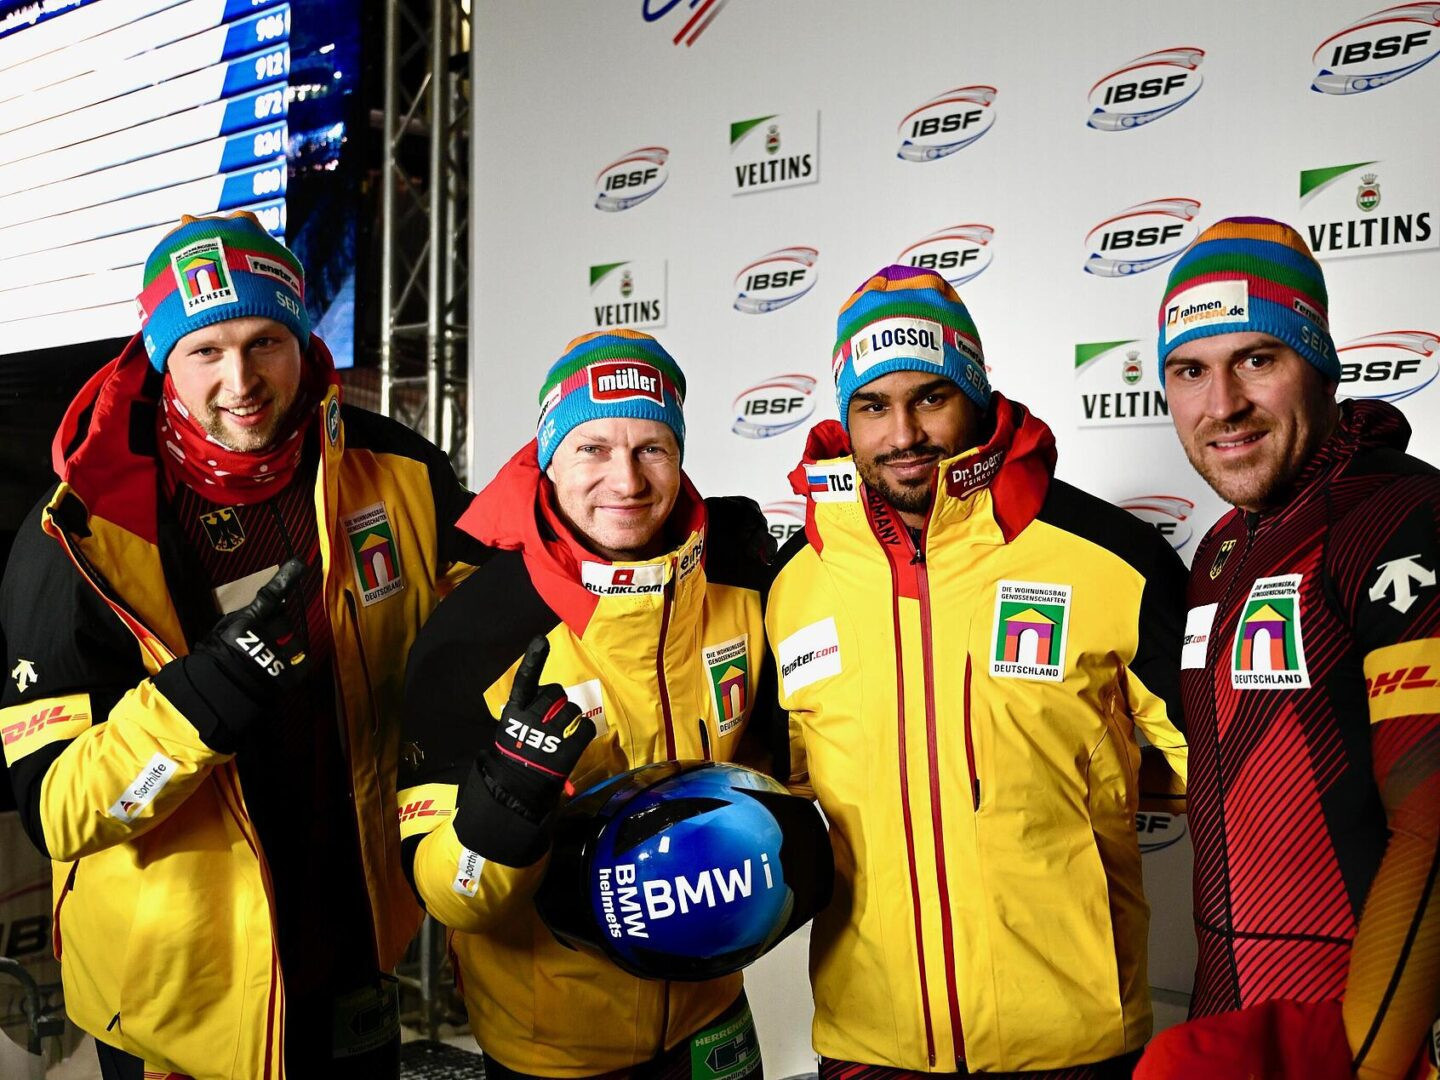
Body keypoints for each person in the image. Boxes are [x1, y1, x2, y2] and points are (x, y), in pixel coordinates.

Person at [0, 212, 481, 1079]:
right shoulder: (77, 531)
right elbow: (56, 812)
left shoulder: (398, 469)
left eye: (266, 342)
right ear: (157, 357)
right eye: (206, 351)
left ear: (303, 339)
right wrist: (208, 692)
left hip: (351, 944)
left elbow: (496, 624)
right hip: (176, 996)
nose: (243, 381)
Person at [764, 265, 1190, 1077]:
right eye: (872, 405)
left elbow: (1220, 774)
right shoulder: (794, 582)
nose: (903, 435)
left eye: (930, 397)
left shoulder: (1109, 556)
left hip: (1073, 1042)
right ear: (844, 418)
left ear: (978, 395)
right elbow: (768, 790)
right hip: (870, 1043)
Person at [397, 329, 776, 1079]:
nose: (626, 480)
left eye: (651, 449)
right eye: (592, 449)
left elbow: (773, 774)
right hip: (557, 1048)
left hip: (713, 1017)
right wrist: (503, 807)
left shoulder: (740, 579)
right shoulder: (472, 632)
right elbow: (451, 897)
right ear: (548, 459)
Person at [1136, 217, 1439, 1080]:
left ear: (1321, 361)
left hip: (1363, 1042)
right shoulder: (1221, 551)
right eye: (1190, 371)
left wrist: (1369, 1063)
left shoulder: (1401, 517)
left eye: (1257, 360)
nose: (1221, 405)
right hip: (1233, 1036)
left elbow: (1434, 819)